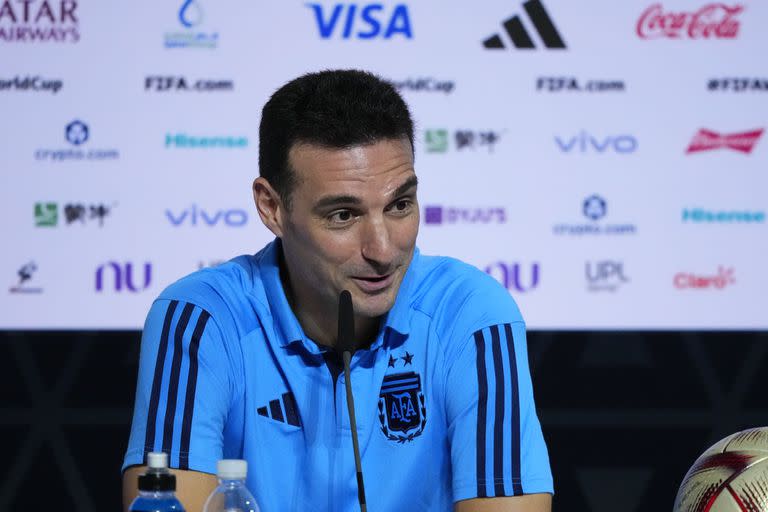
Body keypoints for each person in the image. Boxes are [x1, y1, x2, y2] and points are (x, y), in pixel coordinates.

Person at [122, 69, 553, 511]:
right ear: (271, 208)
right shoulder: (199, 320)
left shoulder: (472, 316)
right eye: (343, 216)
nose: (383, 250)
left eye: (400, 205)